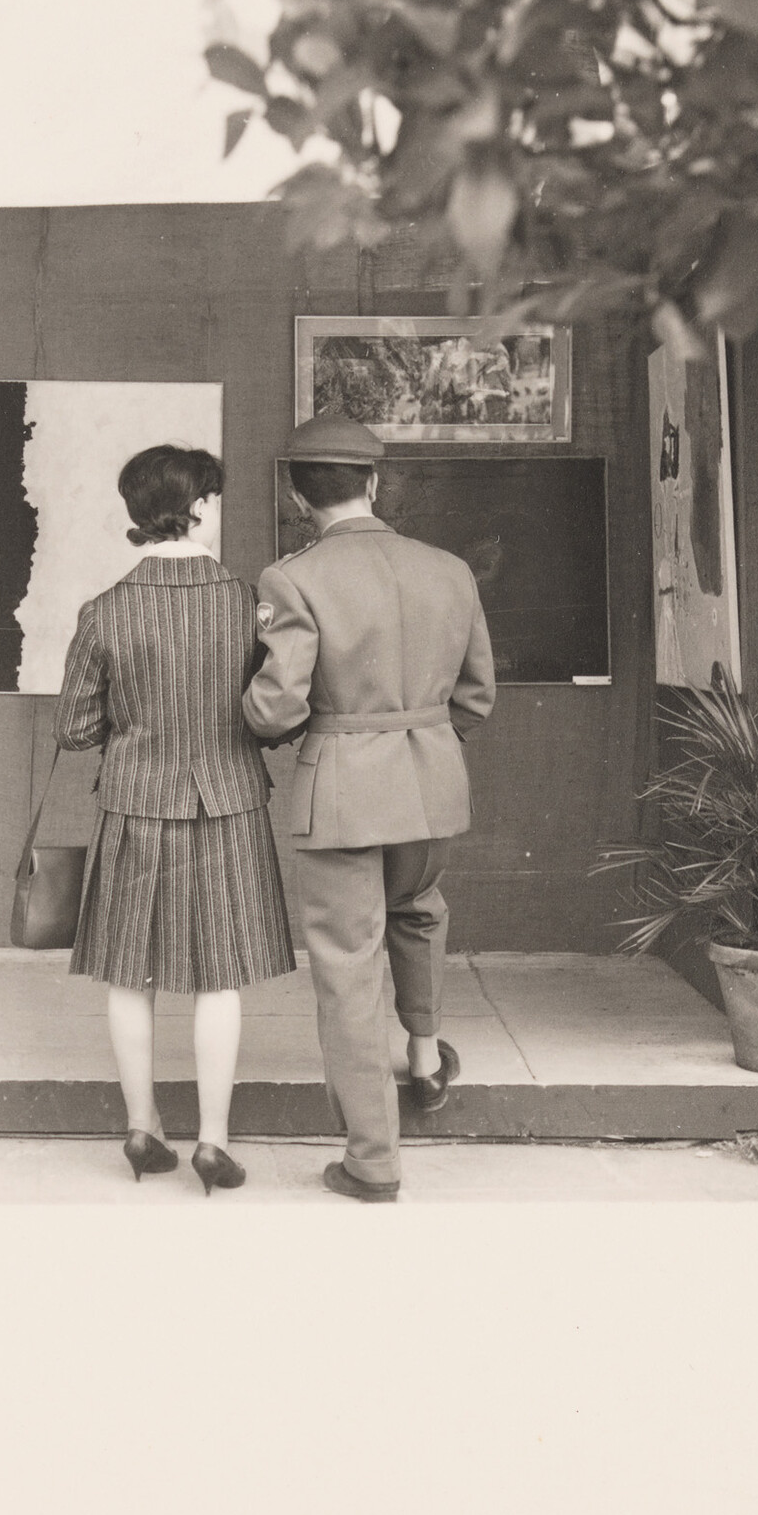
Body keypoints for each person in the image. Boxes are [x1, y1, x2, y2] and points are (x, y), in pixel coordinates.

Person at [243, 416, 497, 1202]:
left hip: (344, 796)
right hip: (432, 786)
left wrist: (254, 715)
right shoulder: (450, 569)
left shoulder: (292, 578)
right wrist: (419, 742)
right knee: (420, 912)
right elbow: (477, 696)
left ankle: (374, 1160)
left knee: (348, 970)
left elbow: (276, 708)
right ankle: (425, 1058)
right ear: (375, 484)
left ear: (296, 494)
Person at [54, 444, 297, 1196]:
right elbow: (272, 711)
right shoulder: (247, 602)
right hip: (227, 802)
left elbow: (74, 730)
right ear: (198, 508)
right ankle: (214, 1143)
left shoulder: (104, 613)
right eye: (214, 498)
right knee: (219, 976)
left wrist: (134, 729)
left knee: (131, 973)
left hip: (133, 804)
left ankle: (142, 1126)